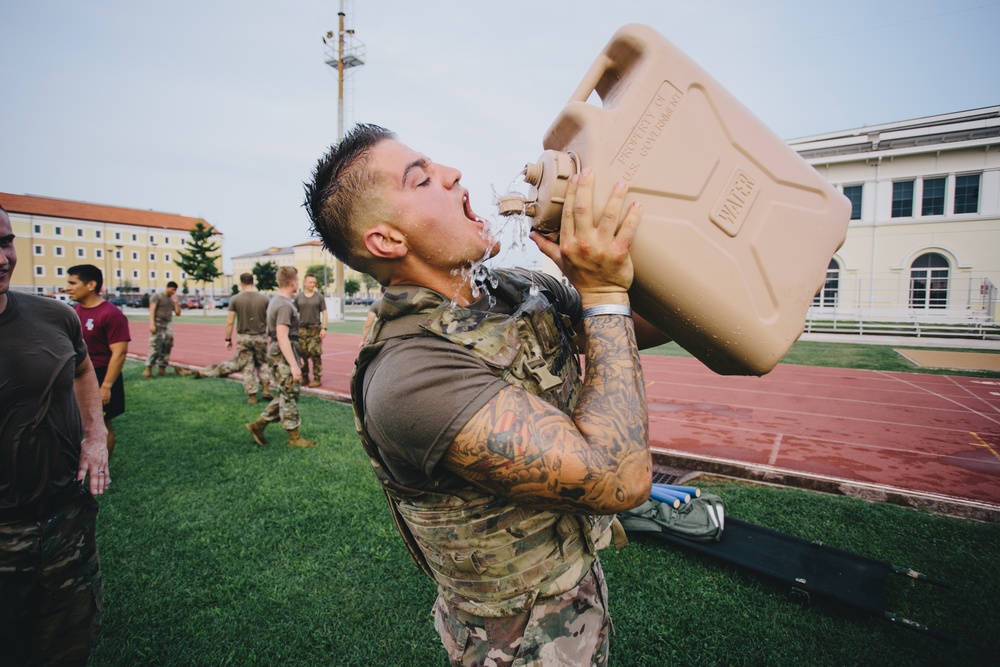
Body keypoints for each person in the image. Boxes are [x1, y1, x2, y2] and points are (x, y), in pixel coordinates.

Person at [304, 124, 668, 666]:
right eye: (422, 179)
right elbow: (620, 478)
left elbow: (633, 324)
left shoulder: (513, 289)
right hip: (513, 639)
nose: (452, 174)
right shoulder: (410, 374)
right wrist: (604, 292)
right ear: (388, 241)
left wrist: (629, 270)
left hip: (576, 584)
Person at [0, 203, 111, 665]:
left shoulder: (53, 316)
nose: (3, 257)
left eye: (5, 241)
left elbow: (82, 369)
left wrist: (95, 433)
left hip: (65, 516)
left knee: (68, 643)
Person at [245, 266, 316, 448]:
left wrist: (296, 356)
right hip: (281, 353)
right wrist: (293, 364)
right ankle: (294, 438)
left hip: (282, 351)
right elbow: (282, 335)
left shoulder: (276, 301)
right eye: (297, 281)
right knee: (290, 393)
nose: (297, 284)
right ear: (292, 282)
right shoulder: (284, 304)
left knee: (286, 393)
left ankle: (258, 425)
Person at [67, 264, 131, 459]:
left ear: (91, 285)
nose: (68, 287)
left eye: (72, 283)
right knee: (72, 424)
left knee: (101, 425)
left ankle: (101, 470)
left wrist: (106, 386)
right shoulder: (71, 312)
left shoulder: (111, 314)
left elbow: (119, 353)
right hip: (73, 374)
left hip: (100, 374)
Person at [184, 273, 273, 404]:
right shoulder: (264, 299)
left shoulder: (235, 299)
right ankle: (266, 390)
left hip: (243, 337)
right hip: (260, 336)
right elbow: (269, 319)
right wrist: (270, 335)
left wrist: (228, 339)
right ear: (253, 282)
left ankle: (252, 396)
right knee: (263, 364)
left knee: (247, 367)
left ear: (241, 283)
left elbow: (230, 321)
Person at [293, 273, 327, 388]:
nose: (313, 284)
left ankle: (317, 378)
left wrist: (324, 328)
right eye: (310, 282)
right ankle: (305, 377)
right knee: (302, 355)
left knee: (315, 354)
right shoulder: (298, 297)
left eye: (314, 282)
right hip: (301, 329)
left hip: (315, 329)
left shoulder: (319, 297)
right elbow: (294, 313)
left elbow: (324, 312)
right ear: (305, 283)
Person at [144, 280, 181, 377]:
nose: (173, 292)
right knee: (155, 346)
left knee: (167, 346)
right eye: (172, 290)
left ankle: (162, 368)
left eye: (175, 291)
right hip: (158, 322)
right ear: (168, 287)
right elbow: (152, 310)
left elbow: (178, 313)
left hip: (167, 324)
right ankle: (148, 369)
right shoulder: (157, 296)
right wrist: (152, 324)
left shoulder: (171, 300)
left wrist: (176, 302)